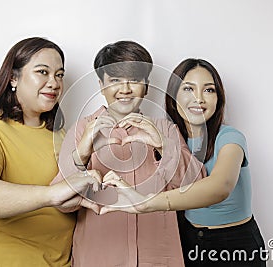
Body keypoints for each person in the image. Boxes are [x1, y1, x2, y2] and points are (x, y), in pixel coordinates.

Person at [0, 37, 102, 267]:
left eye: (59, 74)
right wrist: (51, 194)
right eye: (43, 72)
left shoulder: (61, 135)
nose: (54, 83)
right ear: (13, 78)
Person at [51, 41, 206, 266]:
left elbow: (198, 188)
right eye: (115, 80)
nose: (125, 89)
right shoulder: (80, 130)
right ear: (101, 85)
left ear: (147, 86)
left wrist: (163, 147)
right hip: (99, 256)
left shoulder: (165, 130)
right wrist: (82, 153)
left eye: (134, 80)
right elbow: (61, 203)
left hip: (158, 256)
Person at [101, 58, 266, 266]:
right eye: (188, 89)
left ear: (218, 98)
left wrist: (147, 203)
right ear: (173, 96)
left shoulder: (230, 137)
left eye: (209, 90)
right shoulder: (171, 138)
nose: (199, 98)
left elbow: (221, 186)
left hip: (233, 244)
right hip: (188, 241)